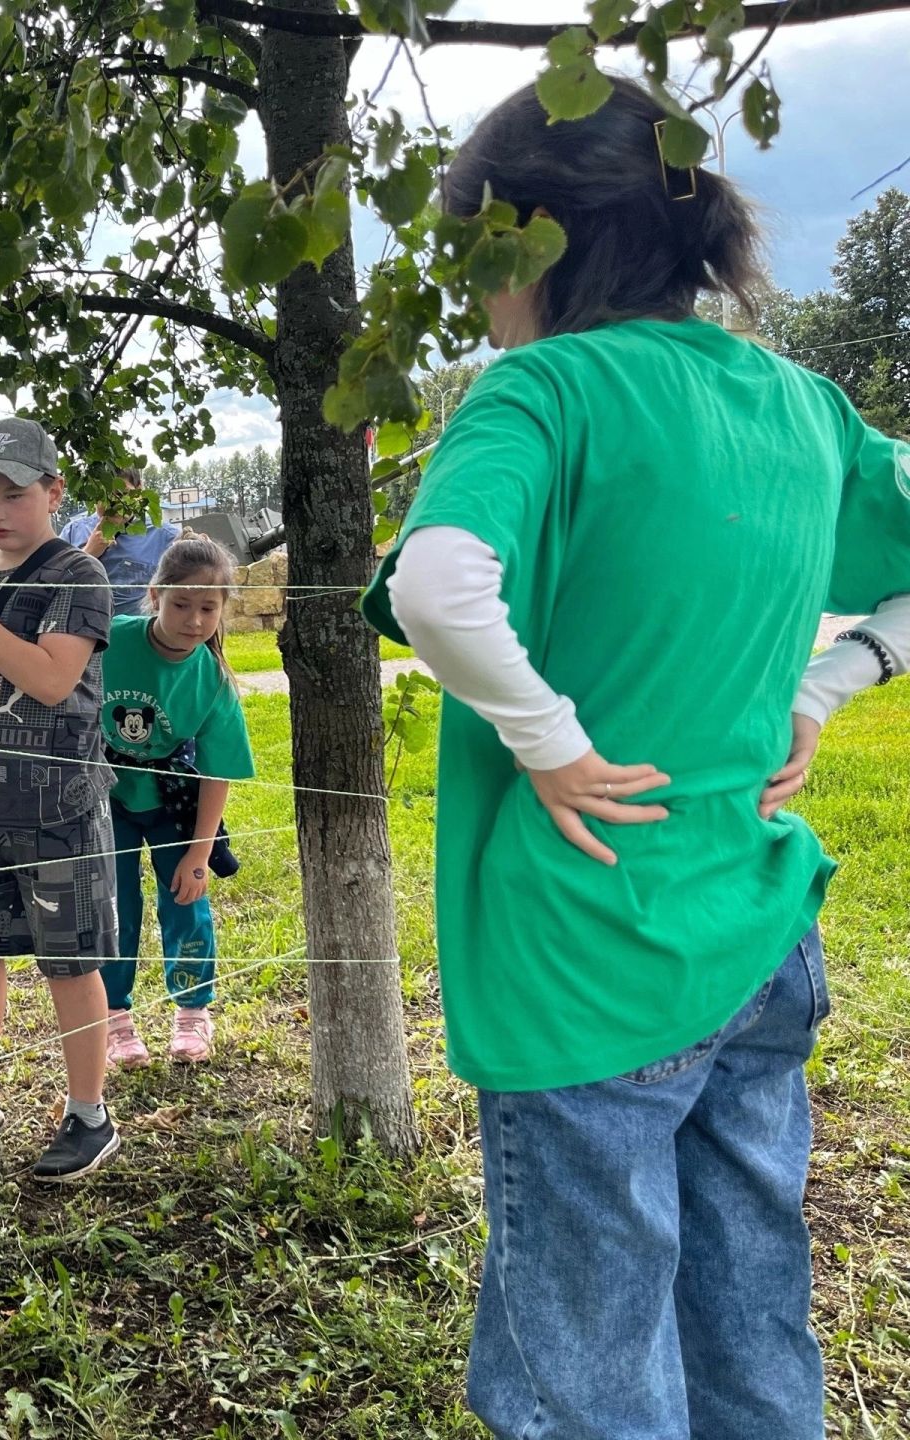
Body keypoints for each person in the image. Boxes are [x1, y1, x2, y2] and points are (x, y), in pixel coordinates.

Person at [359, 76, 910, 1440]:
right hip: (757, 923)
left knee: (592, 1362)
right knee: (748, 1314)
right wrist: (831, 683)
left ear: (534, 240)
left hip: (587, 949)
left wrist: (545, 739)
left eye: (478, 253)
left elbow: (435, 587)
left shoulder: (541, 389)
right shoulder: (801, 405)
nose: (477, 293)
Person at [0, 416, 120, 1183]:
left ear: (52, 490)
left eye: (13, 494)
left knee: (69, 964)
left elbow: (50, 678)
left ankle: (88, 1116)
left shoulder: (78, 575)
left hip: (60, 805)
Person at [97, 535, 255, 1066]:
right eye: (181, 604)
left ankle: (192, 1012)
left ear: (222, 610)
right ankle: (115, 1018)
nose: (193, 620)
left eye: (207, 608)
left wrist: (198, 854)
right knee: (113, 907)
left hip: (173, 803)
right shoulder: (108, 642)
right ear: (155, 594)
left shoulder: (212, 680)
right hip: (104, 798)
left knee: (186, 902)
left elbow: (218, 773)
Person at [60, 468, 181, 615]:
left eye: (121, 494)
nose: (113, 503)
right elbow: (48, 586)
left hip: (135, 634)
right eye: (103, 495)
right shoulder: (73, 532)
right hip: (82, 631)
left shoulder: (165, 537)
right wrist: (88, 554)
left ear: (139, 490)